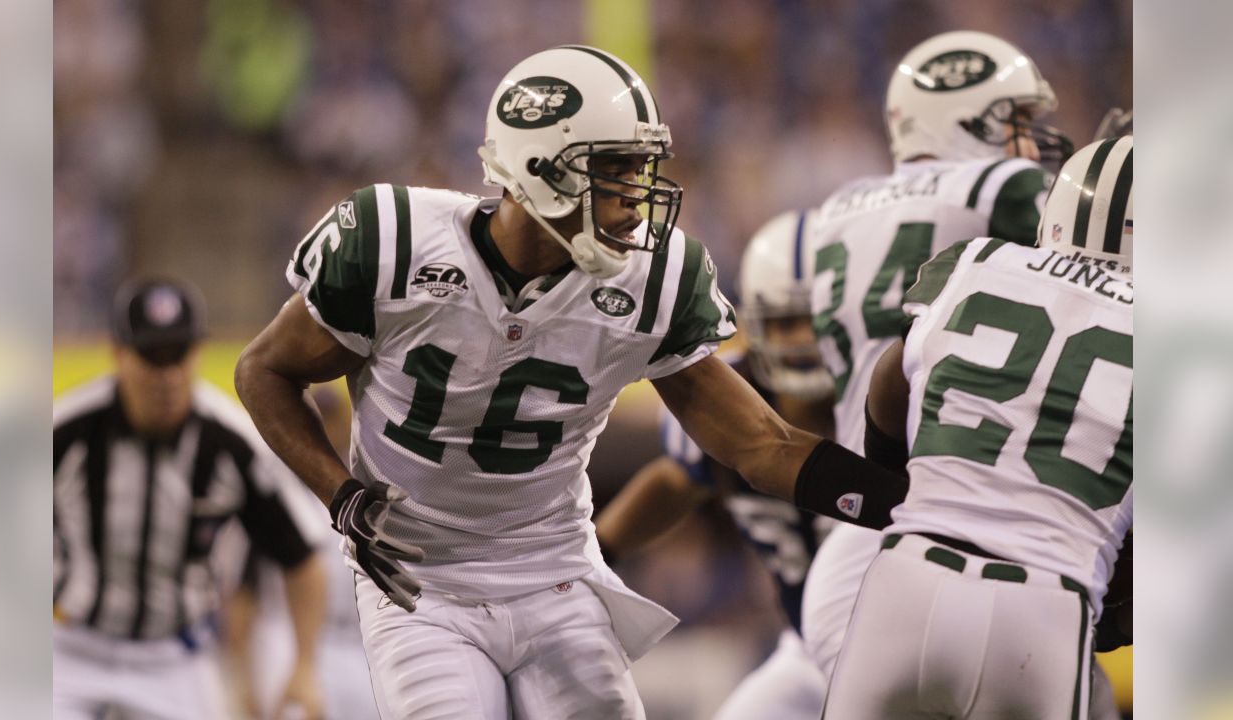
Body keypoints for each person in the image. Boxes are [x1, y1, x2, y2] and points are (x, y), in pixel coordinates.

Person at [234, 45, 908, 720]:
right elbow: (263, 371)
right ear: (540, 169)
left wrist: (913, 509)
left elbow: (761, 445)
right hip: (420, 583)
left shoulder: (650, 280)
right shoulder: (397, 245)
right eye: (615, 171)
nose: (638, 200)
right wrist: (342, 496)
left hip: (554, 572)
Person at [823, 135, 1133, 718]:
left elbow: (889, 384)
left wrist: (900, 476)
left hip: (908, 575)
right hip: (1048, 606)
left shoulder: (974, 263)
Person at [595, 210, 835, 719]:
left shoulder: (885, 402)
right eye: (785, 322)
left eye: (815, 322)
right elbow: (677, 479)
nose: (801, 341)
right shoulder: (733, 398)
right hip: (811, 648)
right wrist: (596, 556)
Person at [53, 278, 328, 720]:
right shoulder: (66, 432)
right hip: (70, 649)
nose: (167, 376)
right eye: (152, 357)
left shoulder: (231, 442)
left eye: (178, 355)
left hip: (173, 657)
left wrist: (304, 665)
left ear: (196, 354)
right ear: (119, 355)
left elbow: (301, 558)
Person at [223, 384, 380, 720]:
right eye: (319, 420)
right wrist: (243, 681)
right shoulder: (276, 498)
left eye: (334, 418)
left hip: (361, 644)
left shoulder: (367, 498)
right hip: (287, 638)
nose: (328, 429)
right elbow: (245, 591)